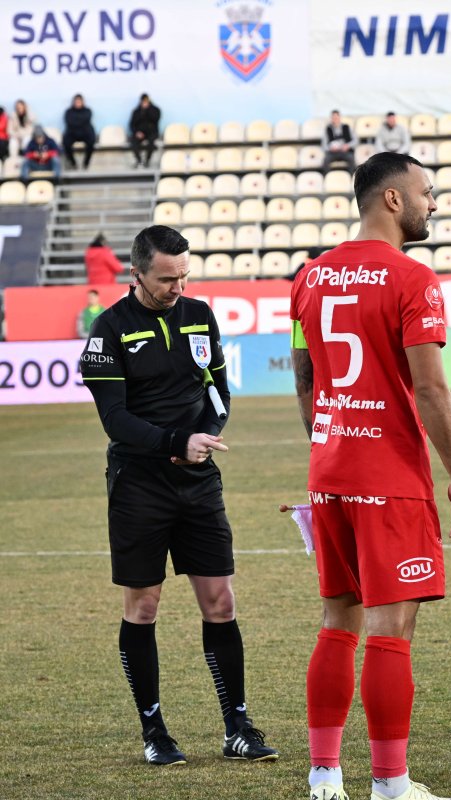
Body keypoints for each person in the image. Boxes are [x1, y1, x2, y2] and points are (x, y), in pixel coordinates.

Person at [290, 151, 451, 800]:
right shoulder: (413, 279)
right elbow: (431, 389)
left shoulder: (309, 278)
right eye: (427, 192)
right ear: (392, 200)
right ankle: (392, 785)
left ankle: (323, 778)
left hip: (330, 471)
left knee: (338, 618)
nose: (433, 203)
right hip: (389, 477)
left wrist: (326, 443)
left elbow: (305, 372)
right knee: (391, 632)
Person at [78, 224, 279, 768]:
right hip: (139, 485)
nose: (178, 287)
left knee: (221, 601)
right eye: (167, 278)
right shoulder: (109, 330)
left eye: (185, 276)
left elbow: (219, 385)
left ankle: (237, 726)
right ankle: (155, 732)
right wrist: (174, 443)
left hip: (199, 479)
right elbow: (115, 419)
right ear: (137, 273)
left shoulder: (199, 314)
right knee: (143, 607)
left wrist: (209, 433)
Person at [63, 93, 97, 170]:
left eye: (79, 101)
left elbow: (86, 121)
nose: (78, 103)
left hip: (85, 133)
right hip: (72, 133)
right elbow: (69, 122)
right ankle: (73, 163)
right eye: (76, 101)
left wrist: (76, 122)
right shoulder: (68, 111)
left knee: (91, 142)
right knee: (66, 143)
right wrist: (79, 122)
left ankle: (86, 163)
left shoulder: (88, 111)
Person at [129, 93, 161, 168]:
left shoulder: (155, 110)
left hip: (152, 132)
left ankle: (147, 160)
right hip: (140, 133)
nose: (145, 103)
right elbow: (132, 124)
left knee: (151, 142)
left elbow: (155, 119)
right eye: (143, 101)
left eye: (146, 101)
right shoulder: (136, 111)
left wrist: (147, 110)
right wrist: (137, 133)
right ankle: (139, 160)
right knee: (133, 141)